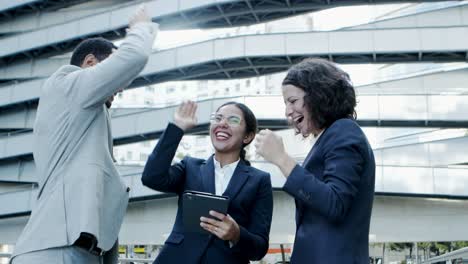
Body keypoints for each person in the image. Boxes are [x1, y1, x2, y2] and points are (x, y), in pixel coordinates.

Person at [10, 6, 158, 264]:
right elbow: (134, 55)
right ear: (90, 63)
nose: (119, 87)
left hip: (72, 249)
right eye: (110, 68)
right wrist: (141, 27)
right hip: (57, 251)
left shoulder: (83, 111)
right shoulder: (70, 84)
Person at [255, 58, 375, 263]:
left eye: (292, 101)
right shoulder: (333, 135)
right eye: (286, 104)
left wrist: (281, 158)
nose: (287, 111)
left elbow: (335, 203)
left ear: (318, 95)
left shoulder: (344, 131)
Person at [142, 101, 273, 264]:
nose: (222, 123)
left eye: (233, 120)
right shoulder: (190, 167)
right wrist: (177, 128)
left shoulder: (260, 180)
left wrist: (236, 234)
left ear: (247, 136)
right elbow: (151, 177)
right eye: (217, 118)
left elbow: (259, 248)